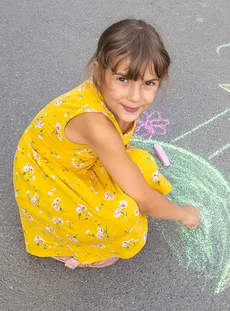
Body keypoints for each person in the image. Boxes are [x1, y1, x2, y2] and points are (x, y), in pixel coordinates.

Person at [12, 19, 200, 269]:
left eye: (148, 83)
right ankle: (61, 242)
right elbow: (144, 200)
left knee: (142, 164)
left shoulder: (114, 101)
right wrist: (183, 213)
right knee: (122, 215)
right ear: (98, 70)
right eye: (123, 79)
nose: (135, 96)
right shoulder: (95, 124)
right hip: (46, 176)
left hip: (74, 163)